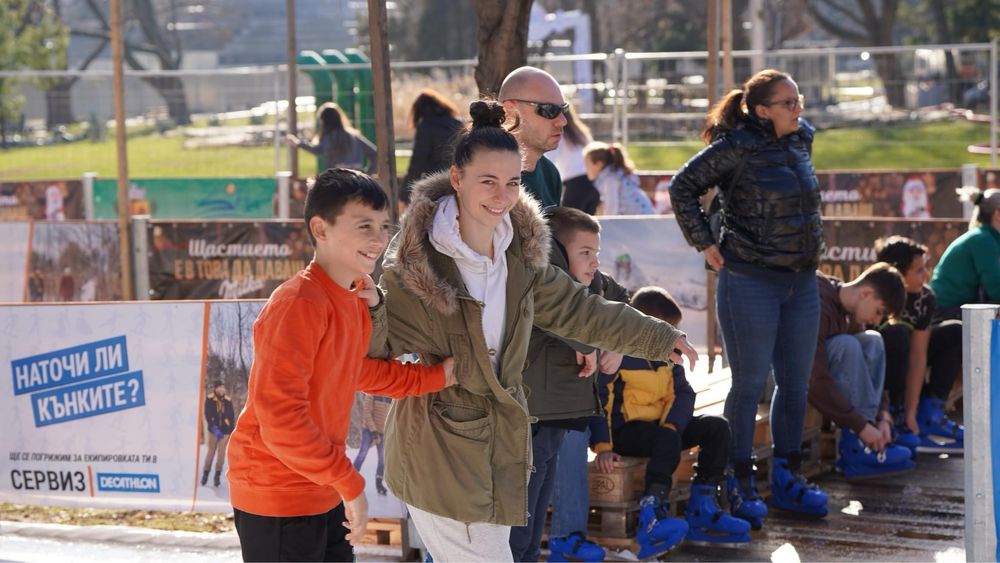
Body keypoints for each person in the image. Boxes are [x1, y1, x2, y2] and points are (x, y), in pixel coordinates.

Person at [371, 100, 697, 562]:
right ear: (458, 179)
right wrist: (361, 302)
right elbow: (372, 345)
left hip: (500, 449)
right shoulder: (414, 266)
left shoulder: (518, 257)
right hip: (439, 449)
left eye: (510, 183)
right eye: (487, 181)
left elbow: (578, 310)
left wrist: (659, 336)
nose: (501, 196)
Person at [225, 168, 456, 562]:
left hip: (321, 487)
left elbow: (358, 372)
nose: (379, 238)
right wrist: (349, 483)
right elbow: (279, 418)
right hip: (277, 492)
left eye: (384, 226)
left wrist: (438, 376)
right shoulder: (298, 304)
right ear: (321, 228)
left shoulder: (351, 300)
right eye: (363, 225)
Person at [669, 69, 825, 525]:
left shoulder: (801, 140)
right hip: (750, 281)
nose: (799, 109)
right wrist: (706, 242)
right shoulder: (736, 146)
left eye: (799, 100)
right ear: (761, 111)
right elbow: (683, 187)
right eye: (788, 103)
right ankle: (736, 479)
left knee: (795, 384)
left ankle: (788, 477)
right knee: (749, 383)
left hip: (801, 281)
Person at [592, 287, 751, 557]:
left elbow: (684, 394)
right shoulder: (618, 357)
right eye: (668, 330)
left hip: (661, 429)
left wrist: (673, 425)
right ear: (647, 326)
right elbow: (599, 402)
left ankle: (704, 505)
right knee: (665, 438)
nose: (673, 337)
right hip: (625, 433)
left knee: (716, 427)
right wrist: (603, 446)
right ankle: (652, 513)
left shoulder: (669, 359)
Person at [510, 206, 629, 562]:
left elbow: (621, 300)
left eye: (596, 253)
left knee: (533, 524)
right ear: (559, 253)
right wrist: (594, 343)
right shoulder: (541, 282)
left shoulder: (591, 282)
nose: (594, 262)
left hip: (561, 414)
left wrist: (616, 344)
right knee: (521, 520)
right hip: (534, 416)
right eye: (585, 253)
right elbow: (564, 321)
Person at [808, 262, 915, 480]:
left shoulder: (849, 310)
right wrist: (861, 425)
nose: (876, 320)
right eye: (879, 312)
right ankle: (859, 443)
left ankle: (866, 439)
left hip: (818, 378)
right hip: (781, 377)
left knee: (872, 340)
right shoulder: (818, 302)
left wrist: (883, 416)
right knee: (847, 345)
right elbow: (812, 377)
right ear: (866, 293)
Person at [877, 236, 963, 453]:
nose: (927, 275)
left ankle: (930, 412)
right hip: (881, 369)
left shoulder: (925, 298)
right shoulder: (877, 293)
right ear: (897, 273)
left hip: (909, 361)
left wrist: (912, 413)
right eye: (919, 271)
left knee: (954, 330)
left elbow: (918, 355)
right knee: (897, 335)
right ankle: (892, 414)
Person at [499, 66, 569, 208]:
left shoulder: (550, 173)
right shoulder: (487, 173)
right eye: (549, 110)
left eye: (564, 109)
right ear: (510, 110)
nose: (562, 121)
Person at [930, 186, 1000, 320]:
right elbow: (996, 289)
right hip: (946, 309)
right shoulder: (983, 240)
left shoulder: (987, 238)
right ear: (998, 214)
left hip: (958, 306)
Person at [401, 89, 463, 209]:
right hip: (459, 184)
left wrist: (404, 196)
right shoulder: (458, 124)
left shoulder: (425, 126)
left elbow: (417, 163)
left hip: (436, 186)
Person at [286, 102, 377, 174]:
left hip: (339, 176)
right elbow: (374, 153)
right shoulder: (355, 136)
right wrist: (368, 173)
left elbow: (317, 150)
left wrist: (298, 143)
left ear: (323, 121)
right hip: (357, 174)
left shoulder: (329, 137)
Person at [547, 104, 599, 214]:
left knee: (570, 226)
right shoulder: (582, 132)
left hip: (575, 185)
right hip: (594, 182)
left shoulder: (559, 136)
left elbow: (549, 161)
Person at [583, 141, 655, 215]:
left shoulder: (610, 180)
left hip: (640, 221)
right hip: (643, 218)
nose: (585, 169)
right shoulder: (616, 176)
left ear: (599, 164)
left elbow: (611, 209)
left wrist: (606, 225)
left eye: (587, 165)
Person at [353, 393, 391, 495]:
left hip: (383, 432)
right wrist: (374, 431)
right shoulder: (372, 394)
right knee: (362, 454)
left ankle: (379, 484)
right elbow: (367, 413)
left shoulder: (390, 397)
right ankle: (352, 479)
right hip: (369, 430)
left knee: (382, 459)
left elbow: (390, 417)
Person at [202, 380, 235, 487]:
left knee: (221, 453)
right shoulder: (210, 399)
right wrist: (213, 427)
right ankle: (205, 473)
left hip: (225, 432)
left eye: (223, 387)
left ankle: (217, 474)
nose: (221, 389)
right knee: (211, 451)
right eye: (219, 387)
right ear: (215, 388)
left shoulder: (228, 400)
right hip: (214, 430)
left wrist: (230, 429)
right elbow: (207, 414)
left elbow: (231, 416)